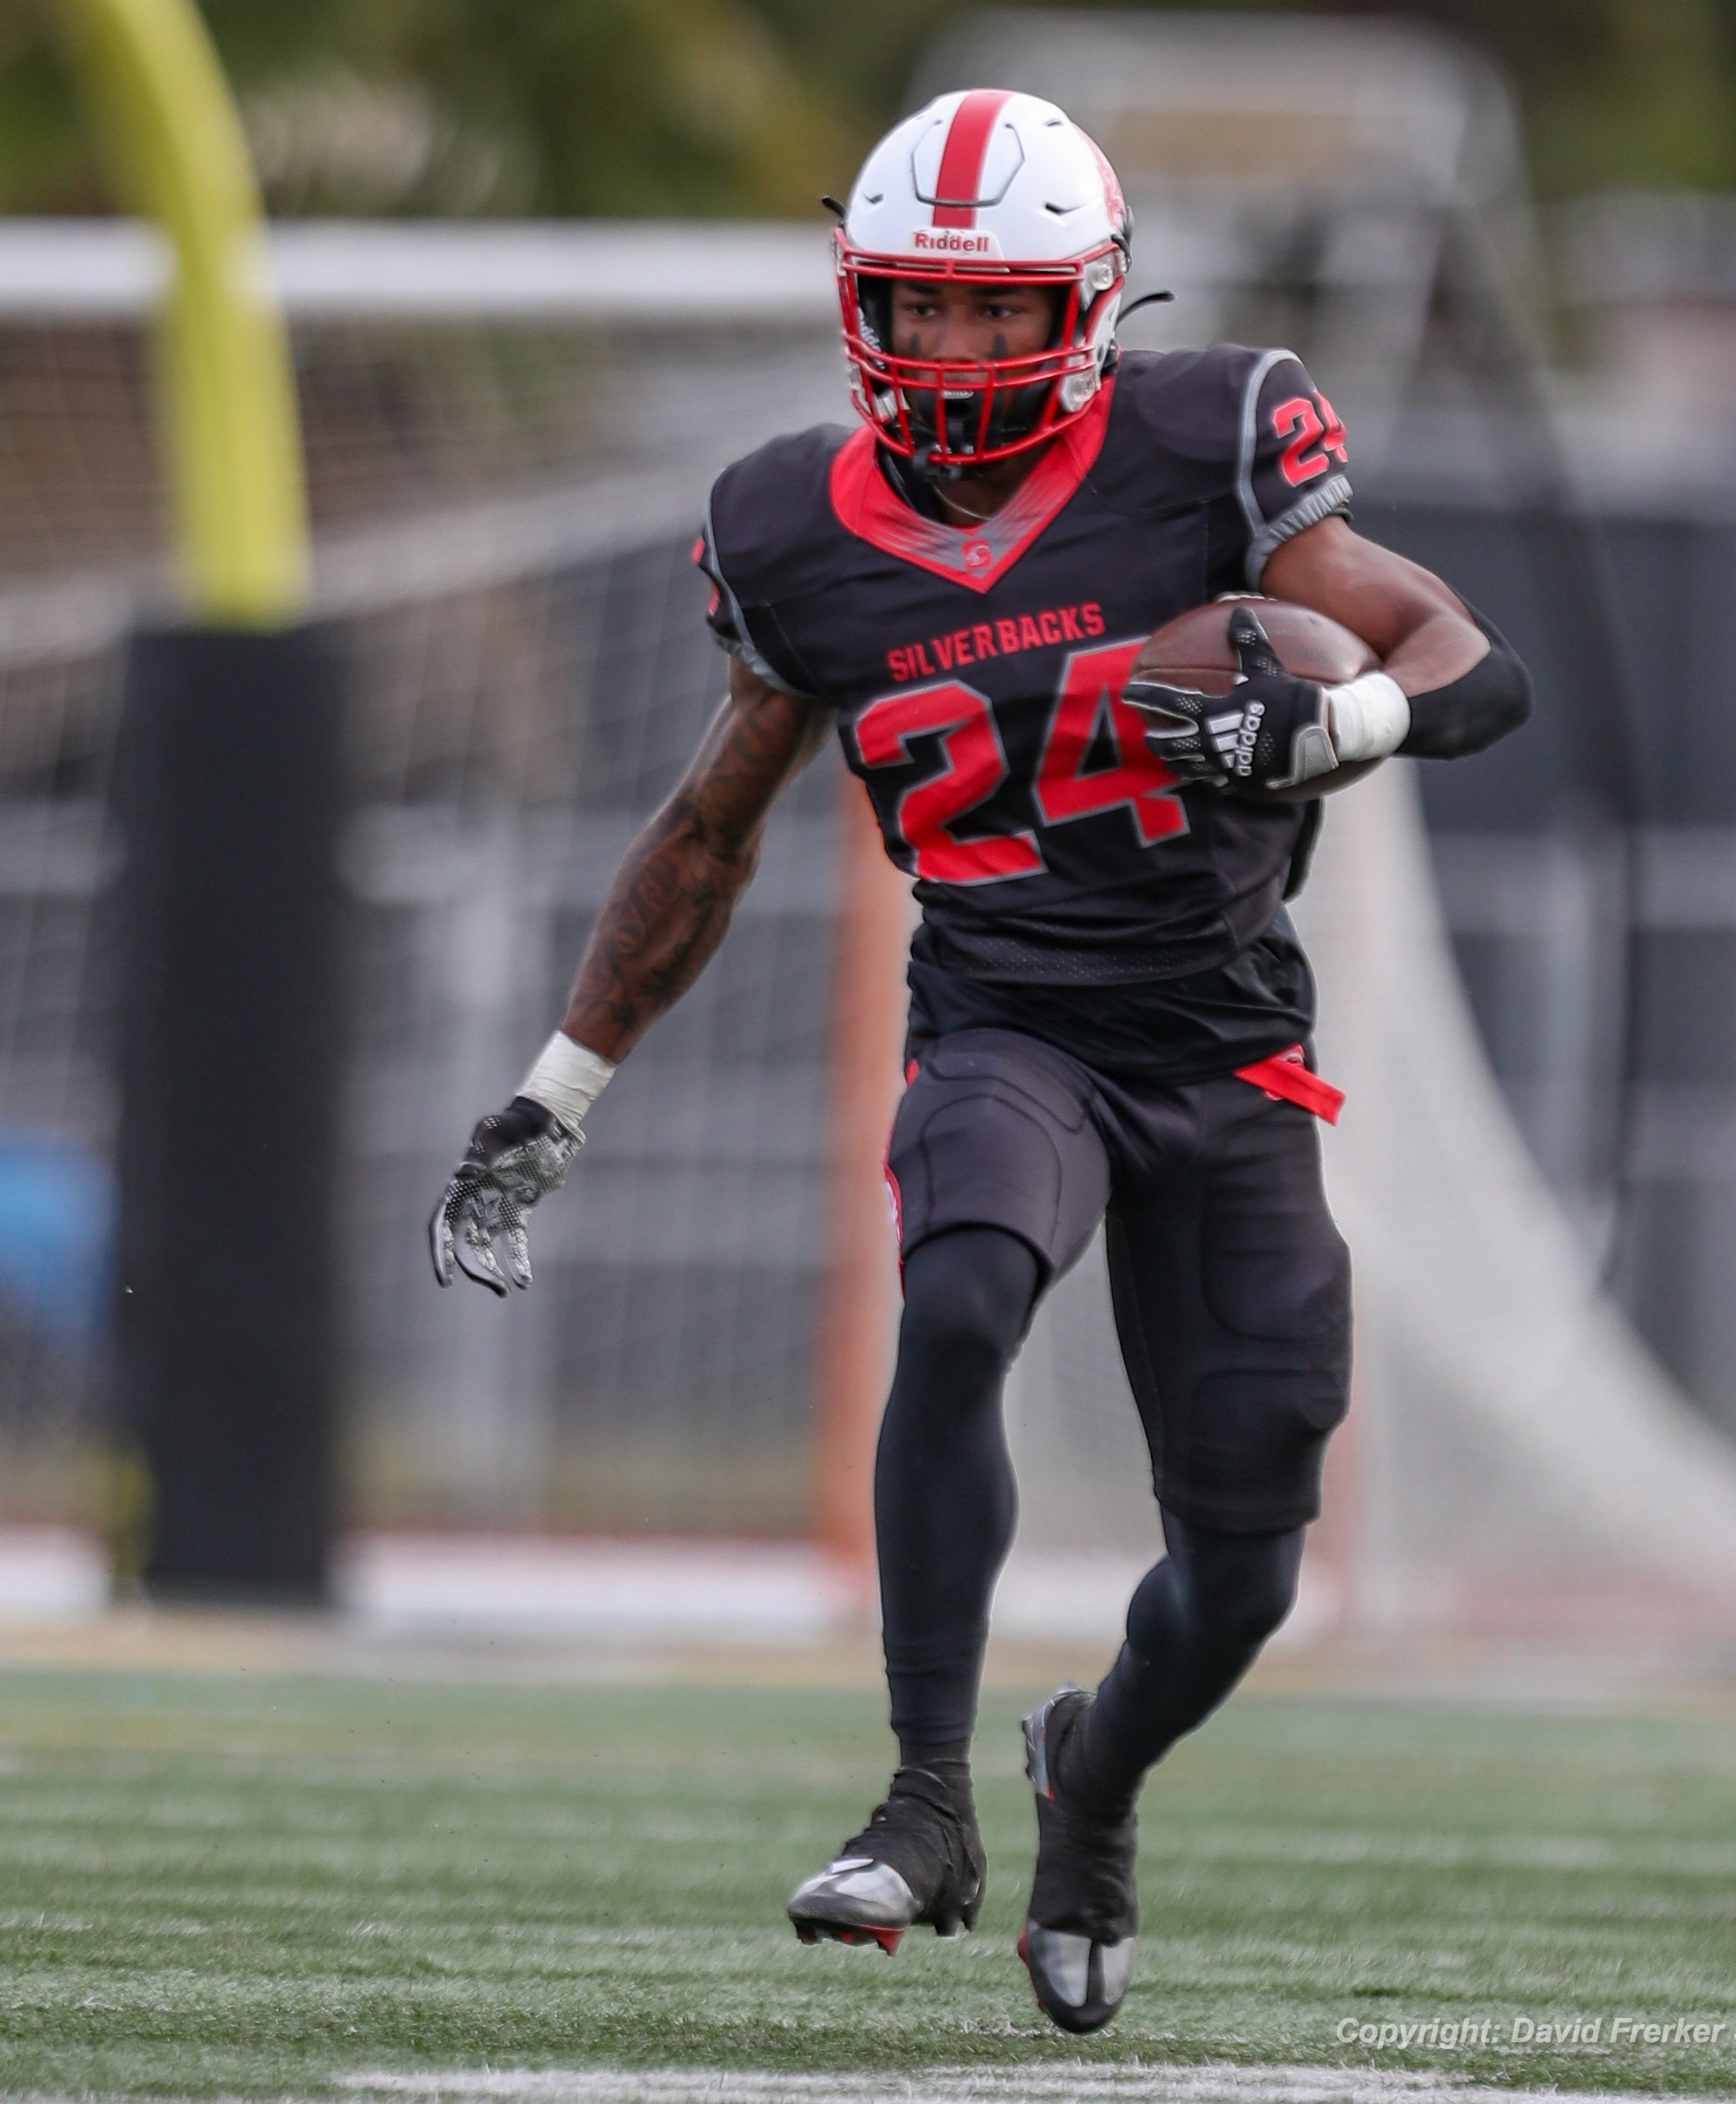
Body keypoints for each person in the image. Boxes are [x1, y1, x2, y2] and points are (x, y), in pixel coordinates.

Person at [429, 87, 1530, 2034]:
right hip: (1007, 1016)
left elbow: (1460, 657)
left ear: (1083, 305)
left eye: (994, 307)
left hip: (1226, 1047)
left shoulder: (1208, 438)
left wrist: (1335, 725)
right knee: (954, 1300)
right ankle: (924, 1801)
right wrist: (558, 1091)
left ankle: (1087, 1775)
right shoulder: (792, 528)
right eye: (916, 306)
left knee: (1244, 1573)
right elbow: (705, 835)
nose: (947, 347)